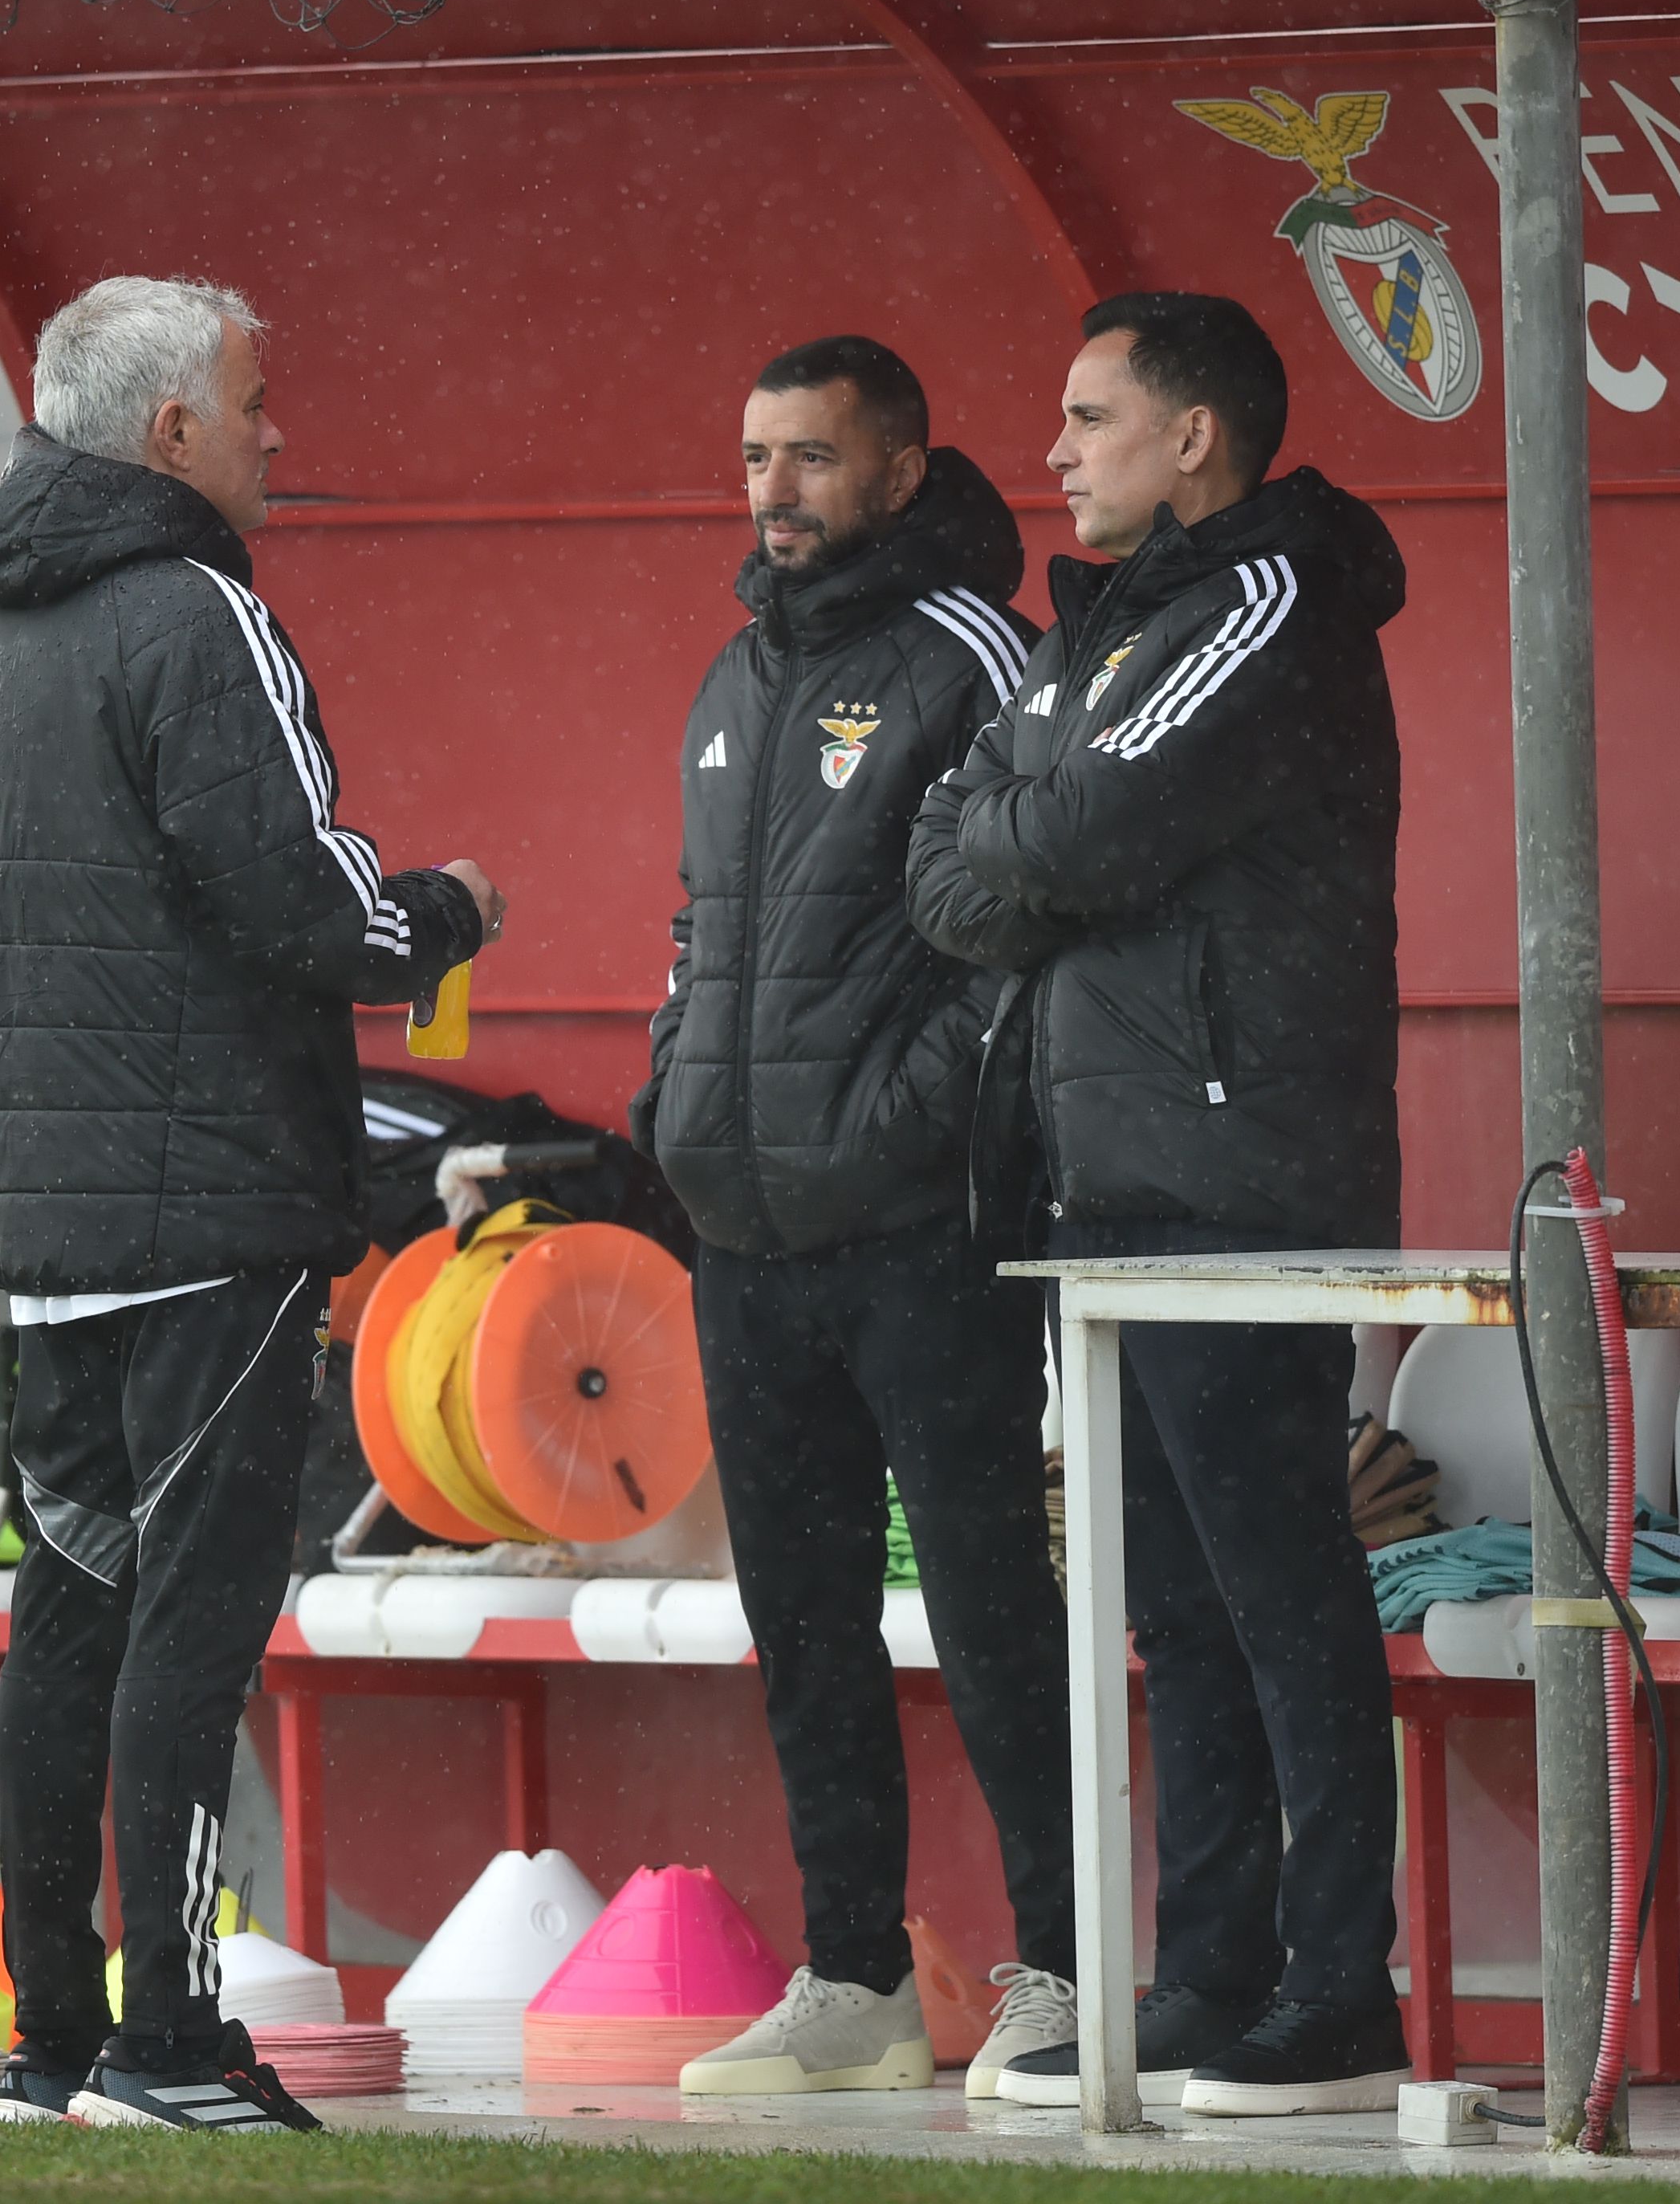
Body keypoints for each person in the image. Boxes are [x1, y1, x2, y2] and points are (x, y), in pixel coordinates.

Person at [0, 275, 502, 2133]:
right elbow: (300, 898)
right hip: (211, 1214)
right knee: (195, 1619)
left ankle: (52, 2039)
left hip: (45, 1214)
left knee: (71, 1610)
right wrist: (447, 912)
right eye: (255, 400)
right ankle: (172, 2042)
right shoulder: (195, 609)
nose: (276, 433)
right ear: (169, 429)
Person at [909, 291, 1413, 2118]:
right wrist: (1025, 847)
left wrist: (1027, 850)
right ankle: (1210, 1969)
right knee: (1174, 1606)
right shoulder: (1102, 628)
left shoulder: (1264, 600)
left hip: (1239, 1176)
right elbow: (943, 855)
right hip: (1097, 1179)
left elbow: (1060, 844)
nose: (1052, 449)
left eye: (1088, 415)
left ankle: (1338, 1988)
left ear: (1194, 435)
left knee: (1277, 1585)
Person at [634, 336, 1081, 2100]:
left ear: (900, 470)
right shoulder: (735, 671)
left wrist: (903, 1127)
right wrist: (677, 1101)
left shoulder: (976, 651)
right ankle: (851, 1975)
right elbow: (701, 932)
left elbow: (1026, 931)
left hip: (919, 1233)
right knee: (804, 1616)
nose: (773, 490)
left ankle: (1056, 1964)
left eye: (811, 457)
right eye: (754, 455)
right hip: (745, 1234)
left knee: (986, 1603)